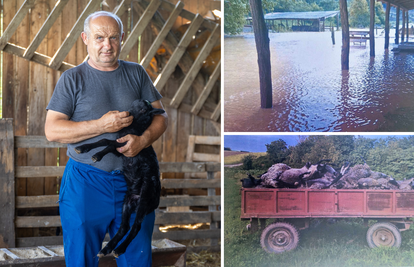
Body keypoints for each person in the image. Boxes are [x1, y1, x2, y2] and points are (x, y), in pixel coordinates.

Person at [44, 10, 168, 267]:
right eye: (99, 37)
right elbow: (53, 130)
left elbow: (161, 117)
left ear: (122, 37)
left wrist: (143, 141)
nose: (107, 45)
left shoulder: (136, 73)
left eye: (113, 38)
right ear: (85, 38)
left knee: (137, 257)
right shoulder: (72, 79)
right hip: (86, 183)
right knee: (81, 260)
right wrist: (101, 125)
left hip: (133, 182)